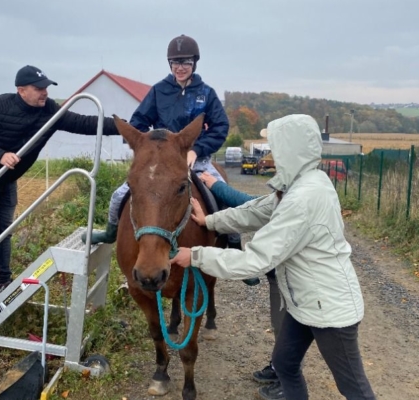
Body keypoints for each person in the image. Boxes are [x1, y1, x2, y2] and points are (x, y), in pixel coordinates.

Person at [171, 114, 376, 400]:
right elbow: (254, 211)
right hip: (304, 301)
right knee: (285, 364)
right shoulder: (300, 182)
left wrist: (194, 255)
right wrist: (210, 222)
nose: (271, 154)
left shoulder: (303, 199)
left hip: (329, 310)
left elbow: (254, 261)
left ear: (290, 149)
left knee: (353, 388)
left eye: (275, 147)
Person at [0, 65, 120, 302]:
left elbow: (84, 123)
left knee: (4, 230)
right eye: (38, 88)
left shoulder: (49, 111)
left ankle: (3, 279)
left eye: (46, 87)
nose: (44, 92)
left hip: (8, 178)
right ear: (21, 90)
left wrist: (125, 127)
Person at [86, 34, 229, 245]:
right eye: (175, 63)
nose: (180, 67)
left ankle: (232, 243)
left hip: (196, 158)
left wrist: (197, 149)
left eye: (186, 62)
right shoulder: (159, 91)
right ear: (170, 63)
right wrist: (151, 149)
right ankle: (111, 232)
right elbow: (139, 122)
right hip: (162, 159)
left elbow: (220, 126)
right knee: (118, 196)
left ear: (194, 63)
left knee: (225, 195)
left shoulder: (206, 93)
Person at [199, 171, 285, 397]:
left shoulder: (297, 199)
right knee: (281, 324)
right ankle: (280, 367)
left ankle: (288, 380)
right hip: (282, 274)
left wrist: (196, 256)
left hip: (295, 278)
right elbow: (253, 207)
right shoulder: (285, 194)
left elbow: (249, 207)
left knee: (288, 327)